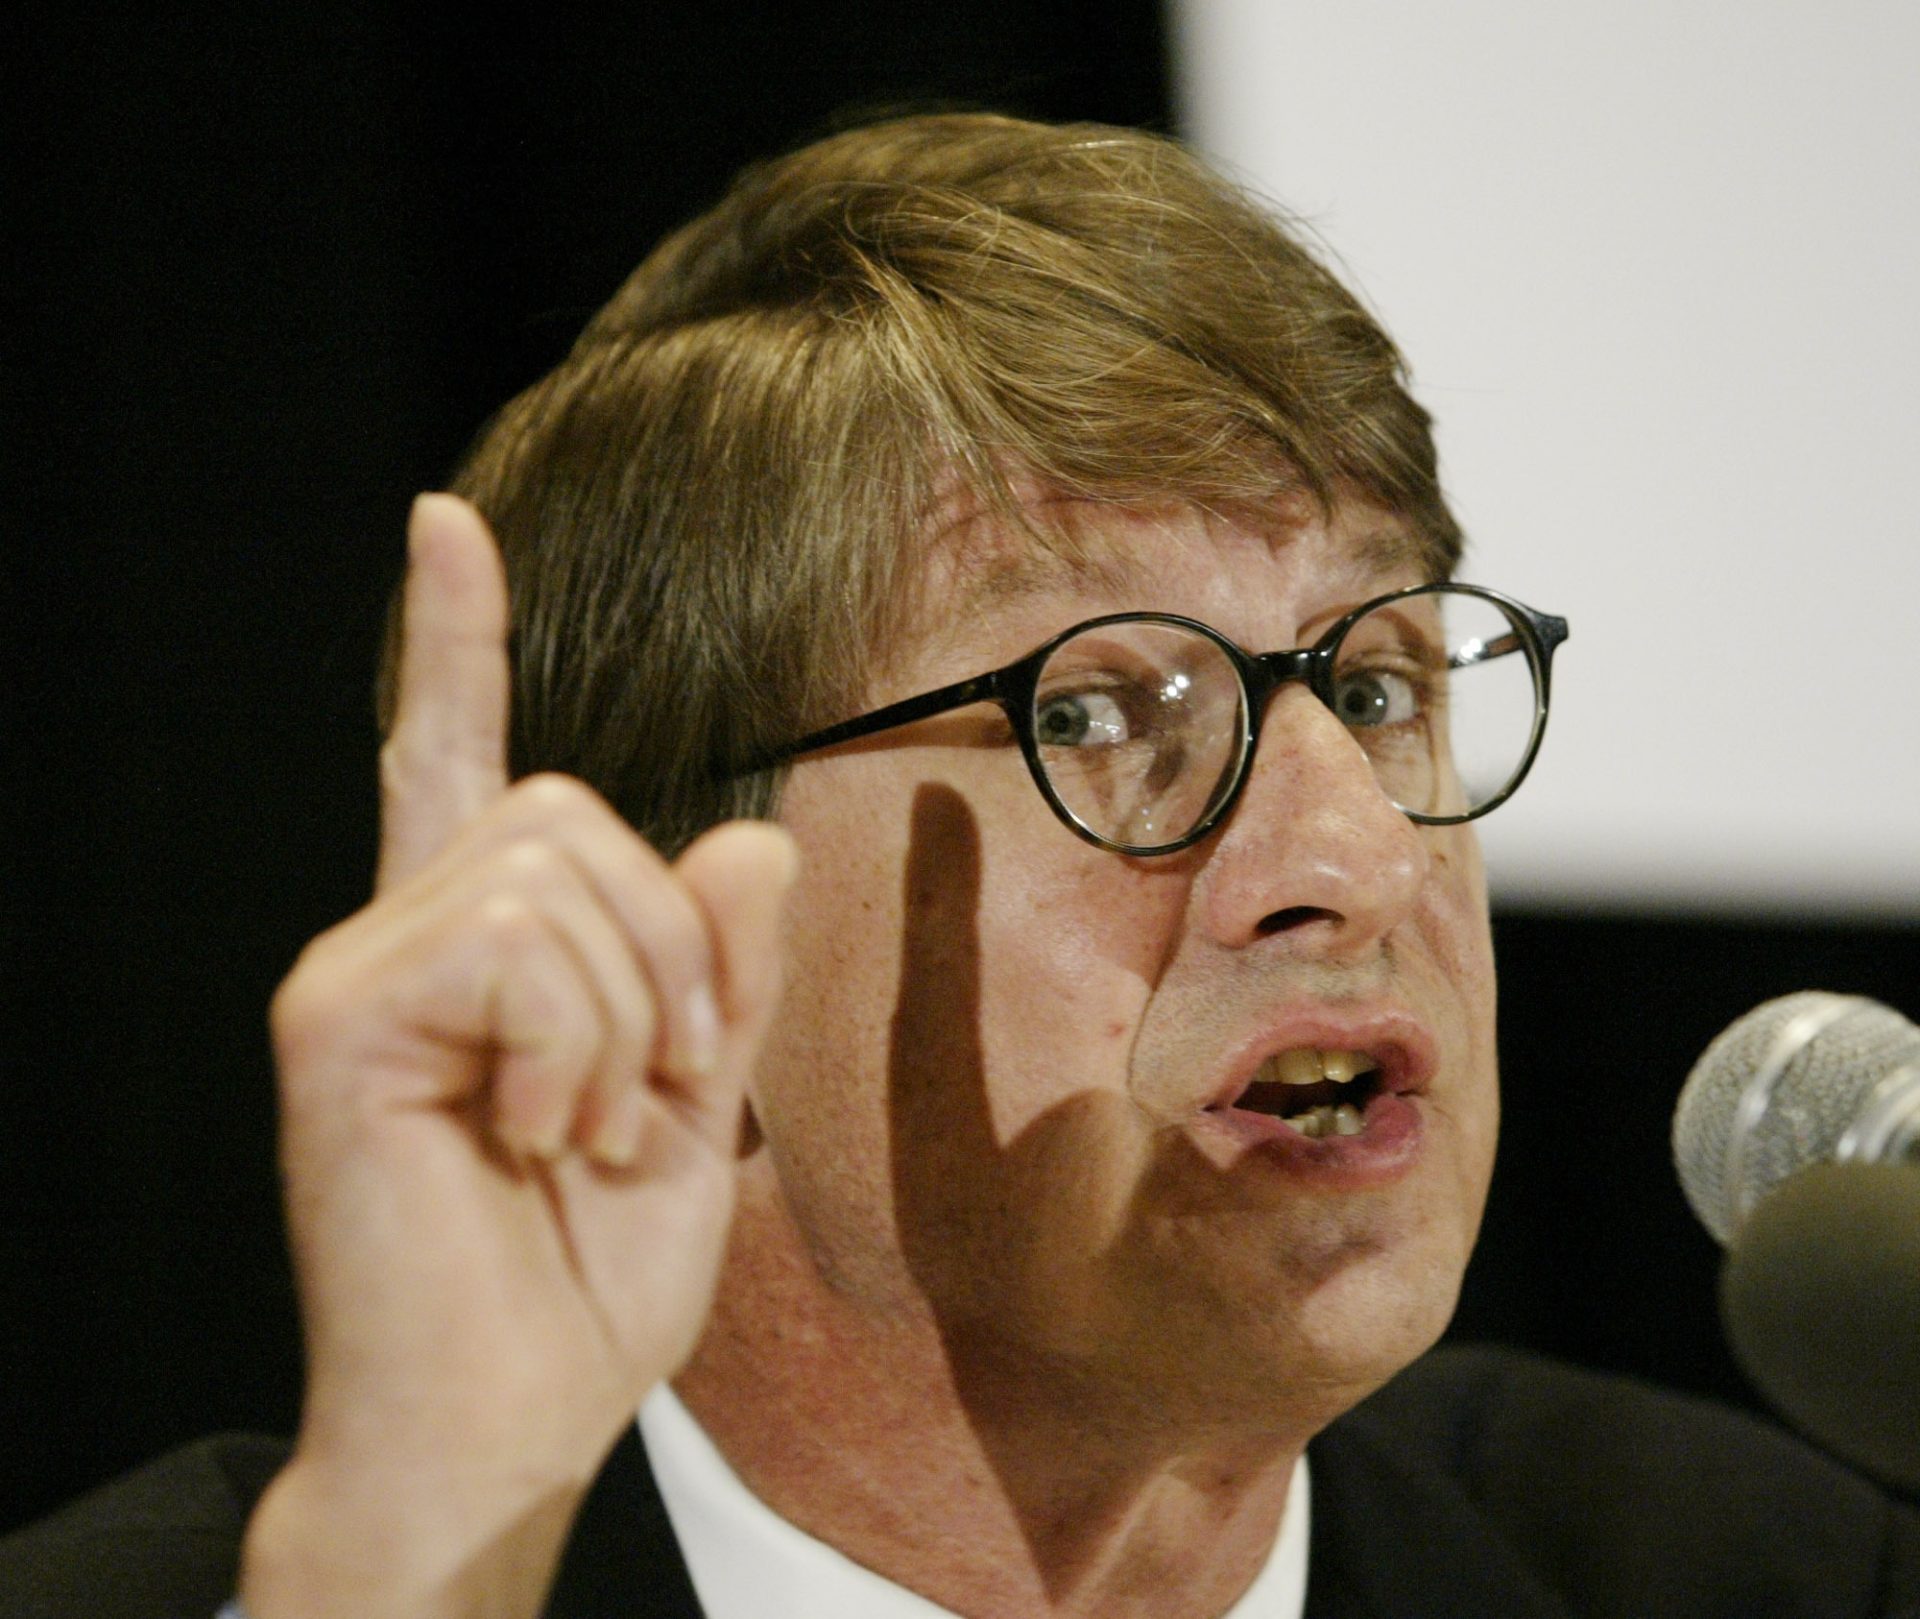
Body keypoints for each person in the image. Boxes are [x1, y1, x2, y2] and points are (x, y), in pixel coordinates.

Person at [4, 112, 1916, 1619]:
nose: (1349, 852)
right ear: (667, 931)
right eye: (1096, 713)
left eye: (1381, 677)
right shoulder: (283, 1595)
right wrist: (423, 1571)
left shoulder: (1785, 1577)